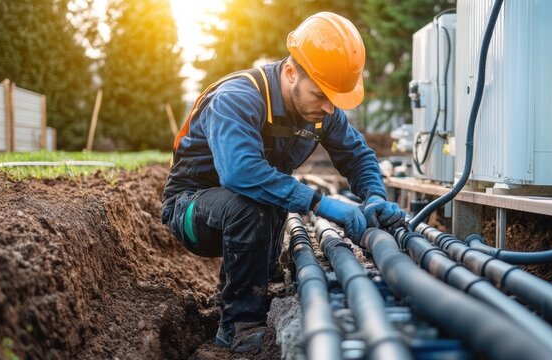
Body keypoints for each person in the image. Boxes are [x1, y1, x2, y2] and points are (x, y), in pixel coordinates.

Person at [161, 11, 406, 353]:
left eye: (335, 99)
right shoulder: (239, 97)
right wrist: (322, 203)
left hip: (243, 206)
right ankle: (239, 325)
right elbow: (240, 173)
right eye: (320, 95)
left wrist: (375, 195)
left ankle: (256, 279)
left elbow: (358, 156)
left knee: (269, 202)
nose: (329, 108)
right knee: (253, 206)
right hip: (190, 210)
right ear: (291, 73)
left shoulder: (323, 110)